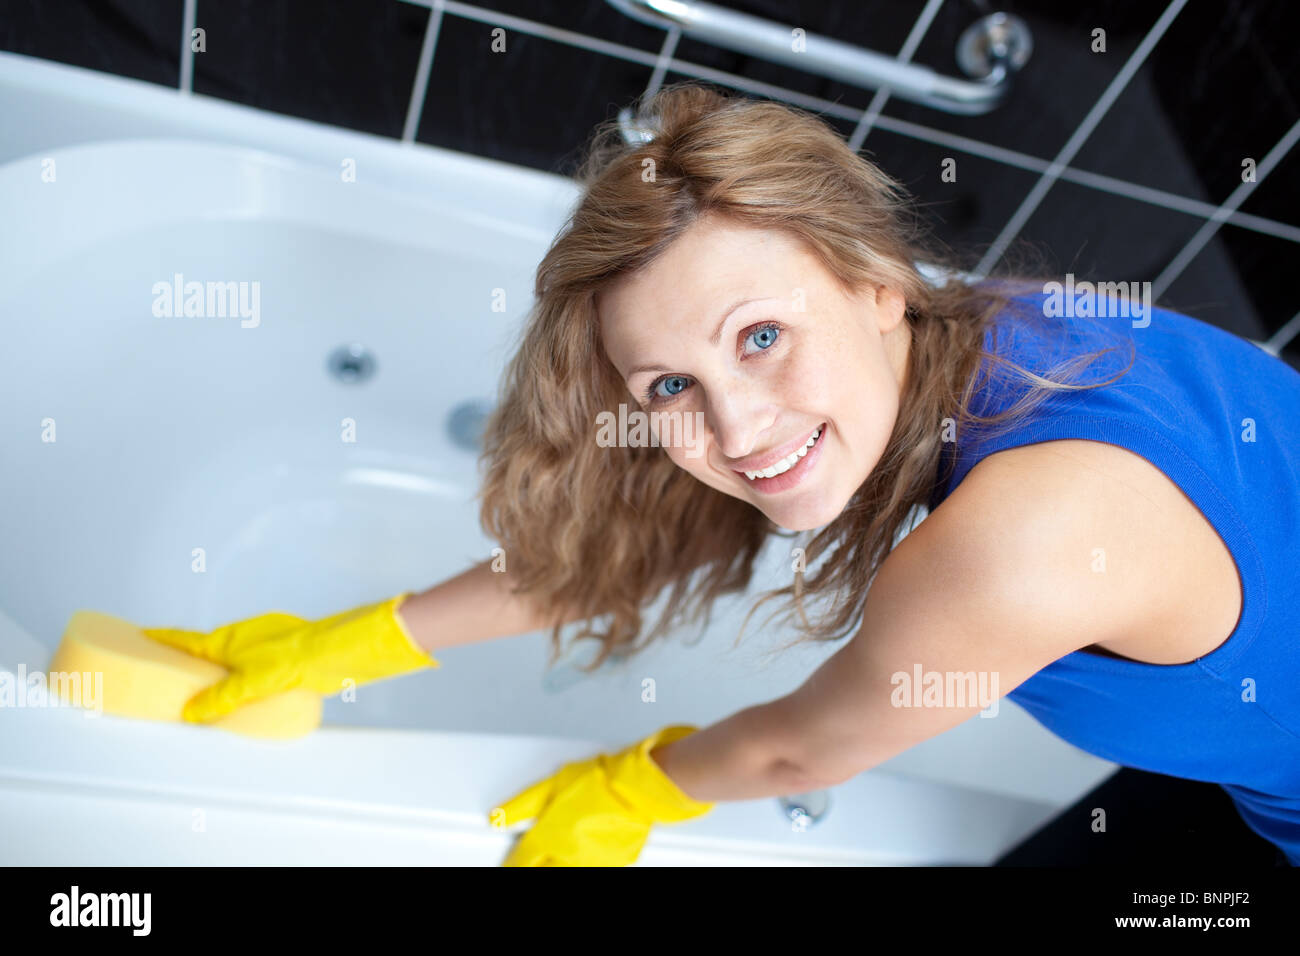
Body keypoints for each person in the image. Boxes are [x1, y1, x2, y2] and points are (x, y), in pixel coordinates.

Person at [139, 82, 1300, 867]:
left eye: (757, 337)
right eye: (666, 387)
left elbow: (802, 748)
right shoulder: (947, 335)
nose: (736, 428)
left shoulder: (1020, 540)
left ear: (875, 277)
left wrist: (635, 783)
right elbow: (649, 526)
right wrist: (364, 637)